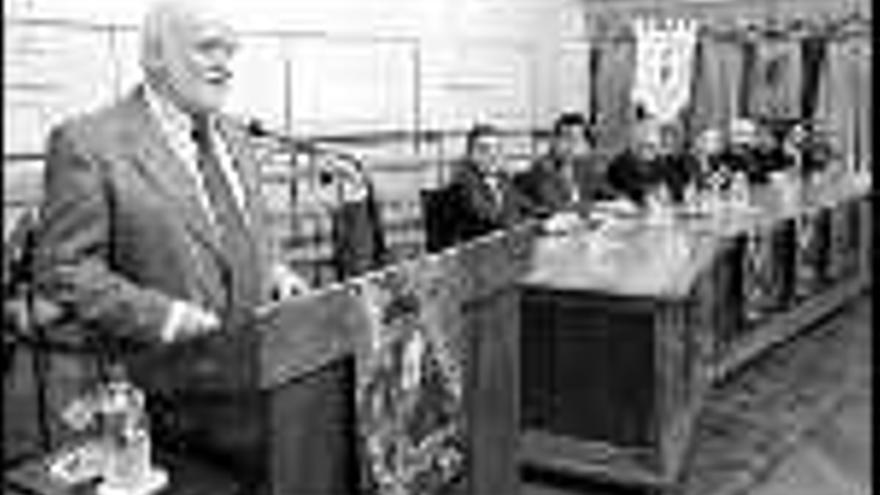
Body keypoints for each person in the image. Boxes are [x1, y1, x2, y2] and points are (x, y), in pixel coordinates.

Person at [32, 0, 309, 484]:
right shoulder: (89, 143)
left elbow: (243, 235)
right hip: (164, 411)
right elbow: (63, 271)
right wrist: (164, 316)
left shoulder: (237, 137)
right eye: (208, 48)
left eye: (230, 50)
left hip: (260, 393)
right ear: (156, 56)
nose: (225, 64)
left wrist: (274, 270)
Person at [446, 124, 536, 243]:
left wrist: (548, 218)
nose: (493, 155)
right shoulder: (463, 183)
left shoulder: (502, 179)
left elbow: (525, 205)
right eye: (484, 150)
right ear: (470, 155)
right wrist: (522, 224)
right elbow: (488, 220)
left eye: (497, 149)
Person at [515, 112, 614, 218]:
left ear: (587, 146)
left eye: (577, 140)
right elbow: (557, 207)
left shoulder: (589, 169)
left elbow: (612, 195)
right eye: (566, 138)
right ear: (554, 141)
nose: (571, 146)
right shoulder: (542, 170)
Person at [606, 120, 697, 207]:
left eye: (657, 147)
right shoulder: (622, 163)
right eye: (649, 146)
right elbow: (625, 186)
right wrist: (645, 195)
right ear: (637, 144)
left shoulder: (660, 163)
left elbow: (674, 183)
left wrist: (683, 190)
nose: (654, 151)